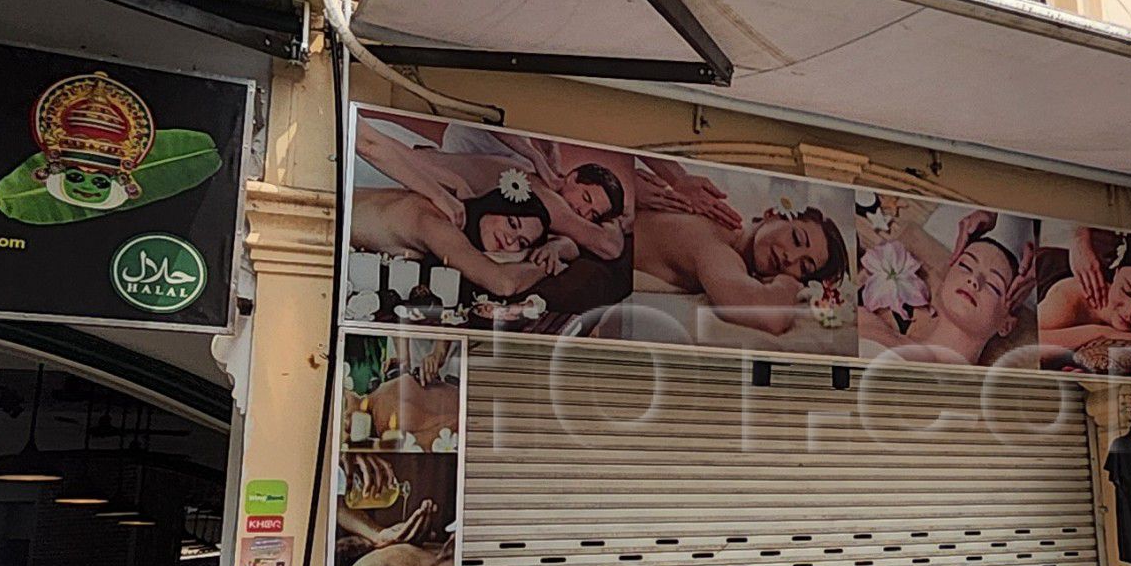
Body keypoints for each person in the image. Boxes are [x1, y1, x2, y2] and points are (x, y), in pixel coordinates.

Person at [631, 158, 851, 337]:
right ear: (773, 214)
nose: (790, 258)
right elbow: (770, 317)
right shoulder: (719, 249)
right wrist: (788, 284)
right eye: (796, 238)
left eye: (804, 267)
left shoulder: (721, 233)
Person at [356, 122, 630, 263]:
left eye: (592, 214)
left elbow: (567, 243)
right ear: (572, 178)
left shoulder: (534, 197)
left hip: (400, 164)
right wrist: (616, 224)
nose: (583, 213)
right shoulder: (545, 194)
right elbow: (608, 246)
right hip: (386, 167)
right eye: (586, 199)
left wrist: (558, 246)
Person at [858, 198, 1040, 364]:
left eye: (994, 286)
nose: (974, 280)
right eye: (966, 266)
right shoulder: (865, 323)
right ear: (944, 282)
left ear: (1006, 325)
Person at [351, 181, 575, 301]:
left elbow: (570, 245)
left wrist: (553, 247)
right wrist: (544, 266)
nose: (509, 241)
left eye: (522, 242)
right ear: (494, 207)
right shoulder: (438, 225)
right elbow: (503, 284)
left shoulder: (459, 212)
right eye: (512, 223)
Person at [1040, 231, 1131, 368]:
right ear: (1116, 274)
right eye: (1127, 292)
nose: (1130, 312)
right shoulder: (1070, 301)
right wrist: (1102, 333)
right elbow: (1032, 345)